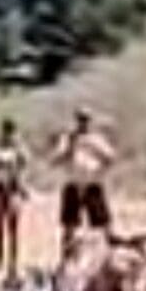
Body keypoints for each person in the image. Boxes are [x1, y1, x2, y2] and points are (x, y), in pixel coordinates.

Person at [52, 107, 118, 254]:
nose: (83, 123)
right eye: (80, 119)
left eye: (86, 119)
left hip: (92, 184)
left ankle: (111, 253)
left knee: (103, 222)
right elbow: (56, 158)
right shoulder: (68, 138)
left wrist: (100, 169)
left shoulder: (96, 139)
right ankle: (66, 255)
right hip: (73, 184)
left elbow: (110, 157)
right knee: (69, 224)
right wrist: (68, 150)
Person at [0, 119, 30, 282]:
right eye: (7, 131)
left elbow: (24, 164)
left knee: (13, 228)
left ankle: (12, 262)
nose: (9, 134)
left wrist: (18, 147)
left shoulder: (18, 149)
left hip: (13, 190)